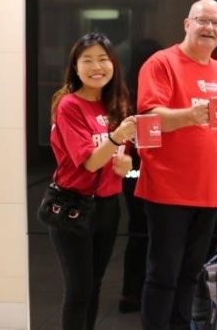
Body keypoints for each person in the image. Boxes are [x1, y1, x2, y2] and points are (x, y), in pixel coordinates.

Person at [135, 0, 217, 330]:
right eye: (203, 20)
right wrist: (193, 114)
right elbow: (150, 118)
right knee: (163, 276)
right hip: (167, 189)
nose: (209, 28)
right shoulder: (161, 63)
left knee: (190, 275)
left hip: (206, 191)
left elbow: (216, 124)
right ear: (187, 23)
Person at [49, 32, 136, 330]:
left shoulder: (117, 103)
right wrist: (117, 138)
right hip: (72, 205)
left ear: (113, 64)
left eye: (103, 59)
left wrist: (126, 163)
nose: (96, 66)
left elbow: (118, 160)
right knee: (78, 291)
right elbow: (90, 161)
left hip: (108, 206)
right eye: (87, 60)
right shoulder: (69, 105)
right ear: (75, 67)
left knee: (95, 285)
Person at [119, 38, 163, 314]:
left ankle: (130, 295)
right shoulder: (151, 91)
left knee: (138, 231)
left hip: (129, 164)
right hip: (148, 162)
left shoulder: (123, 92)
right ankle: (146, 292)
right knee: (153, 231)